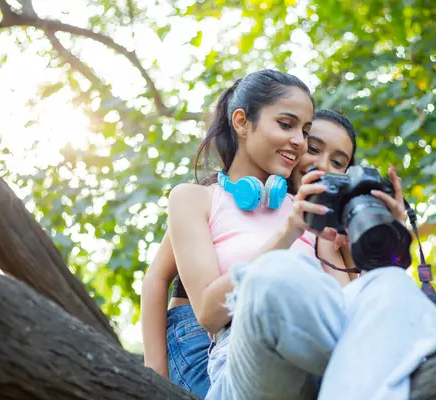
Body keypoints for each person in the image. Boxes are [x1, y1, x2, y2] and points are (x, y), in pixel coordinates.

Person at [141, 107, 376, 396]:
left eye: (338, 162)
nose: (323, 165)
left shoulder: (315, 223)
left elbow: (349, 304)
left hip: (284, 339)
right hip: (202, 335)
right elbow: (156, 278)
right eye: (312, 147)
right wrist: (153, 379)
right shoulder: (217, 196)